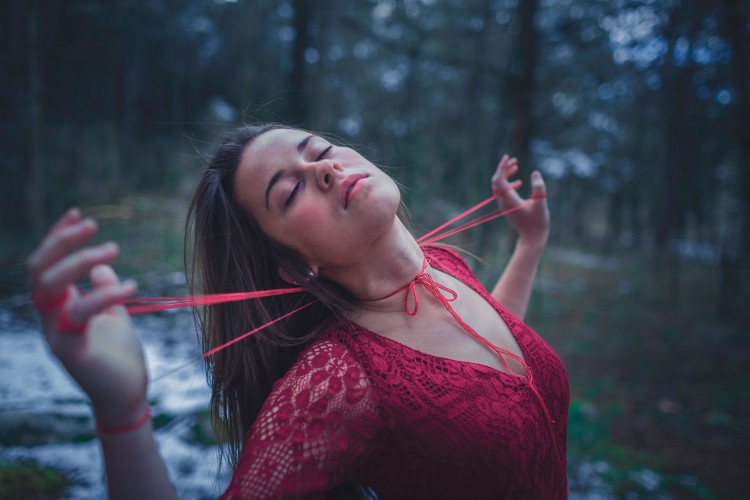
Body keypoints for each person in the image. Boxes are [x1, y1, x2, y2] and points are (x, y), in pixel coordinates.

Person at [26, 124, 568, 499]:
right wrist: (121, 414)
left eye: (318, 148)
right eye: (289, 193)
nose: (326, 169)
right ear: (293, 267)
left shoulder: (444, 264)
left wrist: (529, 246)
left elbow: (495, 360)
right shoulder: (337, 384)